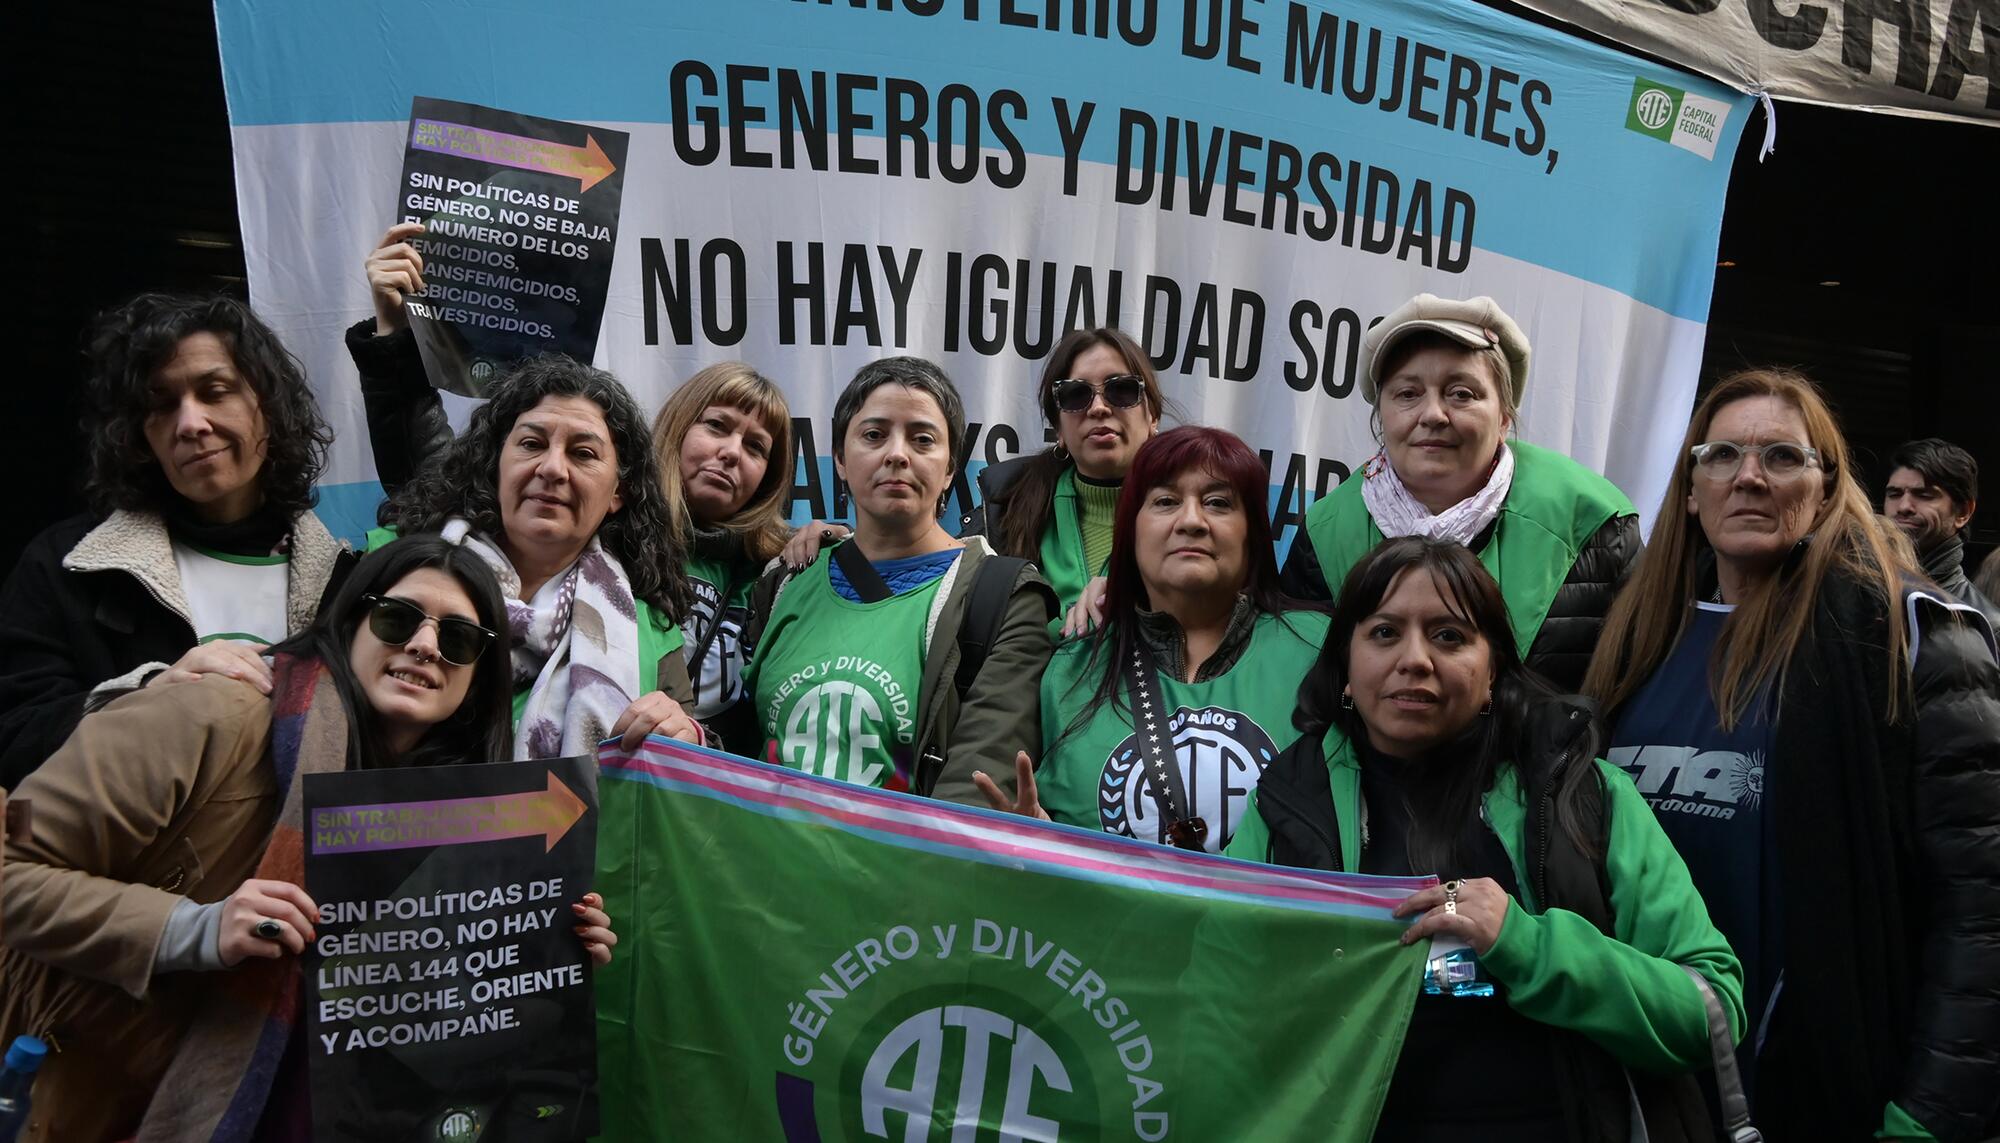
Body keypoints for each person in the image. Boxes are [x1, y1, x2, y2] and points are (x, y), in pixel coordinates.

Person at [0, 537, 617, 1142]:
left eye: (458, 639)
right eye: (397, 618)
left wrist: (543, 949)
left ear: (478, 678)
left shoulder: (463, 811)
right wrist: (195, 928)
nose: (425, 646)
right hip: (111, 1089)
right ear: (351, 621)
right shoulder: (211, 714)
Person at [1585, 369, 2000, 1141]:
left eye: (1782, 456)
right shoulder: (1633, 638)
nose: (1749, 476)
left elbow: (1981, 907)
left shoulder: (1910, 633)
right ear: (1687, 488)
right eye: (1722, 455)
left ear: (1826, 486)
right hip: (1640, 1087)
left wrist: (1931, 1116)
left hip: (1816, 1095)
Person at [1232, 537, 1743, 1142]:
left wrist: (1524, 943)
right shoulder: (1285, 803)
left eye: (1449, 635)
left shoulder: (1585, 795)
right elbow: (1224, 1010)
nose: (1415, 659)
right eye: (1384, 633)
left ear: (1494, 668)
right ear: (1344, 664)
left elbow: (1711, 1011)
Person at [0, 293, 345, 787]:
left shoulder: (345, 577)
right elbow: (12, 740)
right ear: (138, 436)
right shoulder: (66, 567)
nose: (190, 424)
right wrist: (148, 701)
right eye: (160, 405)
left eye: (215, 390)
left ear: (268, 405)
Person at [975, 427, 1327, 855]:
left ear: (1252, 534)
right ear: (1131, 532)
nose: (1192, 521)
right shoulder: (1069, 665)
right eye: (1165, 502)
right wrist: (1040, 845)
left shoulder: (1321, 650)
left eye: (1218, 503)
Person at [1278, 294, 1639, 692]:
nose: (1433, 415)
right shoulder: (1326, 531)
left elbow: (1630, 695)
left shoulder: (1594, 523)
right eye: (1408, 394)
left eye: (1461, 393)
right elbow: (1304, 698)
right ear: (1382, 414)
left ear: (1504, 417)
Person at [741, 356, 1056, 804]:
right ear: (841, 460)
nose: (897, 454)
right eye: (873, 435)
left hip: (905, 870)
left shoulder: (1005, 599)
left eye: (923, 439)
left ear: (950, 468)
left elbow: (974, 790)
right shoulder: (784, 583)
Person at [375, 354, 702, 756]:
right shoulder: (390, 569)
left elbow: (692, 771)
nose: (552, 468)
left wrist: (688, 737)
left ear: (620, 492)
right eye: (532, 444)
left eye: (583, 453)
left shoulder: (650, 630)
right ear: (496, 464)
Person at [960, 328, 1167, 613]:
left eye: (1121, 389)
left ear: (1152, 415)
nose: (1098, 408)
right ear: (1058, 429)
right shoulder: (1004, 512)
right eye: (1075, 394)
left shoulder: (1197, 516)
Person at [1883, 437, 1999, 620]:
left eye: (1925, 495)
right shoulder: (1855, 591)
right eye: (1894, 494)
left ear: (1963, 512)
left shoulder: (1985, 624)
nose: (1904, 506)